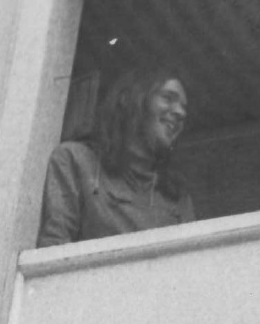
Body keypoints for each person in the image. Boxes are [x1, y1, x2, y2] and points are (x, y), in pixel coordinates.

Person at [37, 67, 195, 247]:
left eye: (184, 107)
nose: (181, 113)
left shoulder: (177, 196)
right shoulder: (76, 161)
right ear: (129, 99)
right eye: (168, 98)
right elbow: (54, 247)